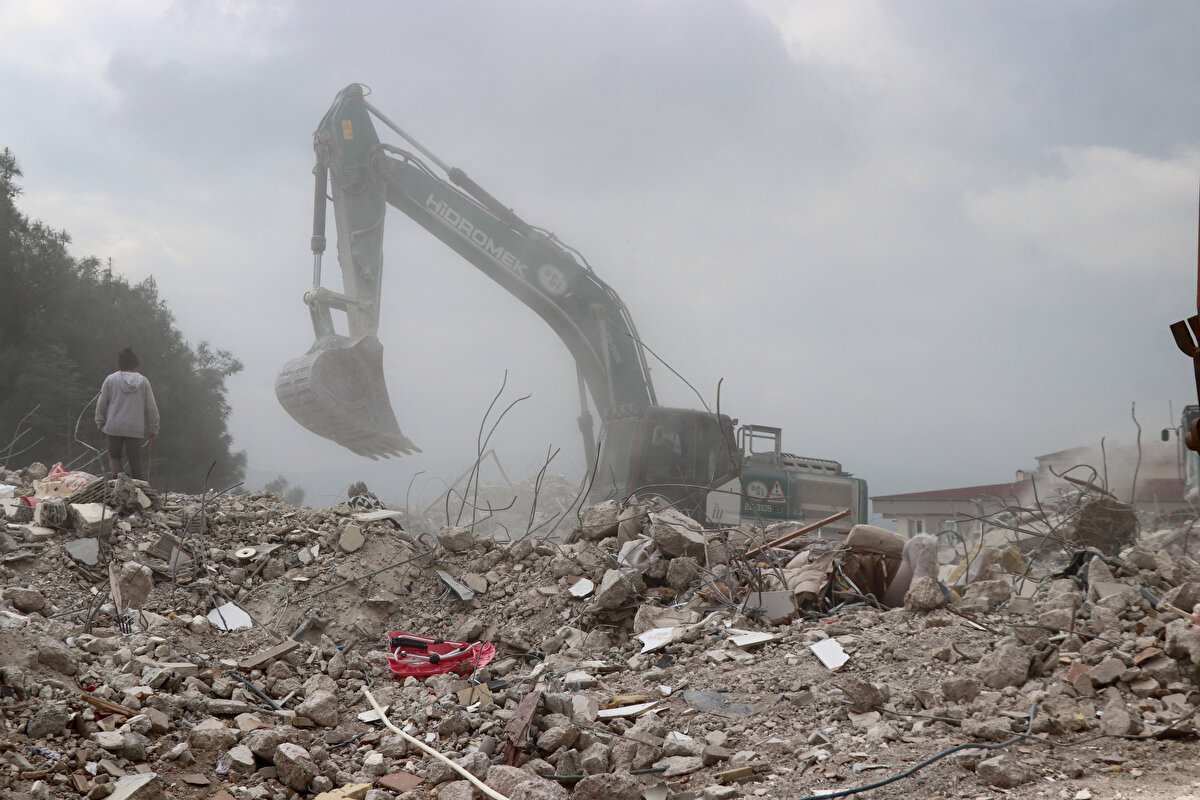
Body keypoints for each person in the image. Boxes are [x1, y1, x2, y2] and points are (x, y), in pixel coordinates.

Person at [96, 347, 160, 480]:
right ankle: (139, 490)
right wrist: (154, 428)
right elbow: (152, 407)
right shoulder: (143, 382)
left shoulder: (111, 379)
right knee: (135, 461)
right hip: (135, 428)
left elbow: (101, 403)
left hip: (114, 427)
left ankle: (119, 485)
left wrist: (100, 422)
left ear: (119, 363)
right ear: (135, 364)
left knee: (114, 458)